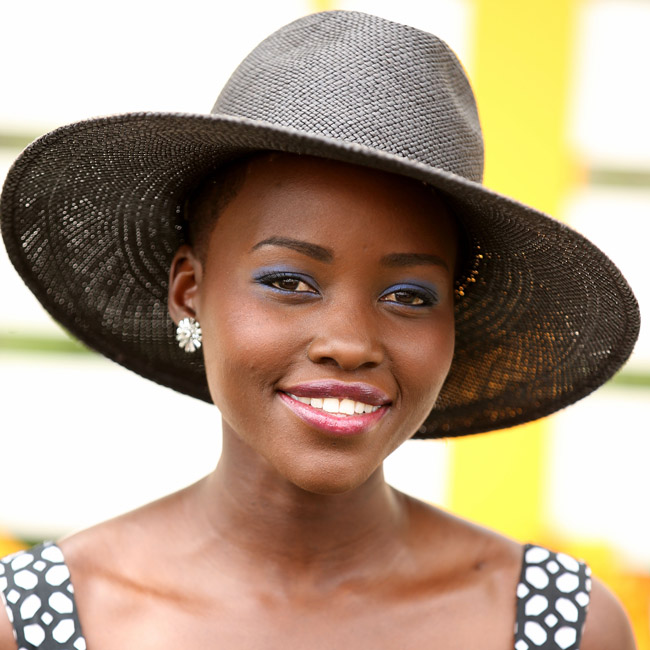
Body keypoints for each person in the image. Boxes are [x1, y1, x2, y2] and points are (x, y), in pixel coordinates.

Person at [0, 10, 640, 650]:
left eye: (409, 295)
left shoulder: (559, 626)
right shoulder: (34, 621)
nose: (351, 344)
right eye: (288, 282)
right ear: (188, 291)